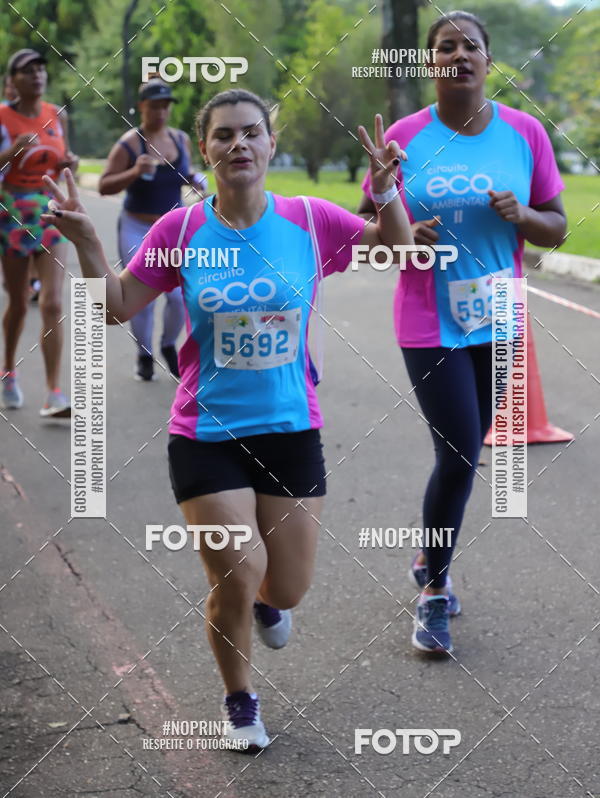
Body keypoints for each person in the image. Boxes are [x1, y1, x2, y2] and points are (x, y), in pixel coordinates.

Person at [42, 89, 413, 748]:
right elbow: (116, 305)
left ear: (270, 145)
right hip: (205, 433)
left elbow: (396, 250)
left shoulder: (310, 220)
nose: (238, 145)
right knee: (236, 572)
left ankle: (267, 603)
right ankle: (239, 702)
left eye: (251, 133)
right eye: (223, 136)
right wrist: (88, 242)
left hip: (291, 429)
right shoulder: (180, 231)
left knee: (287, 589)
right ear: (204, 151)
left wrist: (384, 192)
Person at [359, 11, 566, 654]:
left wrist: (525, 213)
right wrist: (398, 221)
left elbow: (556, 227)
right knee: (457, 454)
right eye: (444, 46)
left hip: (498, 316)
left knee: (467, 450)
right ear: (430, 63)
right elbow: (369, 231)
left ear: (488, 59)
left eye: (470, 45)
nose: (458, 55)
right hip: (428, 320)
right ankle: (435, 592)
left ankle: (427, 557)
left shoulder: (524, 133)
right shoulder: (403, 136)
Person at [99, 78, 208, 381]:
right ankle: (144, 353)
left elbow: (183, 175)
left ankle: (168, 345)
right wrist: (134, 171)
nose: (161, 112)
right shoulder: (129, 144)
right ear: (143, 107)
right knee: (142, 299)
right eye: (154, 105)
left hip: (174, 230)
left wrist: (195, 181)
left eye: (165, 106)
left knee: (178, 297)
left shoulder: (180, 139)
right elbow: (104, 185)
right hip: (136, 226)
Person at [0, 49, 78, 415]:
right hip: (12, 213)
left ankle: (53, 393)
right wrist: (10, 153)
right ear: (12, 80)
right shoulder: (2, 117)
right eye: (28, 70)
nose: (37, 75)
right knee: (17, 302)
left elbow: (61, 157)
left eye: (41, 69)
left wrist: (69, 163)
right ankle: (9, 371)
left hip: (50, 212)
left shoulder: (54, 115)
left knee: (53, 302)